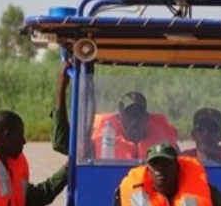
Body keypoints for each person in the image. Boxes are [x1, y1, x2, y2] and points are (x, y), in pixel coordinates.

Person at [51, 63, 179, 159]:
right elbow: (61, 145)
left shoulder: (164, 144)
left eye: (138, 114)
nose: (134, 120)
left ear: (146, 118)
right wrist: (61, 87)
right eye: (129, 114)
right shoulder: (100, 139)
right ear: (120, 118)